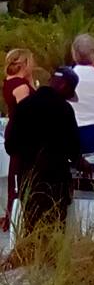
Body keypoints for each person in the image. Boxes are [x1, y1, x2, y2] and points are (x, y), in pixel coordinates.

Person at [5, 67, 91, 236]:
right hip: (55, 182)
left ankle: (33, 261)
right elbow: (73, 149)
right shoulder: (64, 109)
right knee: (55, 233)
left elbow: (10, 146)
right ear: (65, 86)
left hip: (28, 181)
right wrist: (80, 161)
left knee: (32, 231)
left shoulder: (24, 106)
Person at [2, 49, 36, 231]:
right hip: (22, 133)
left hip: (14, 129)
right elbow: (26, 113)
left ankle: (11, 211)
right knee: (20, 169)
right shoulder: (21, 86)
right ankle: (16, 212)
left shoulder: (9, 82)